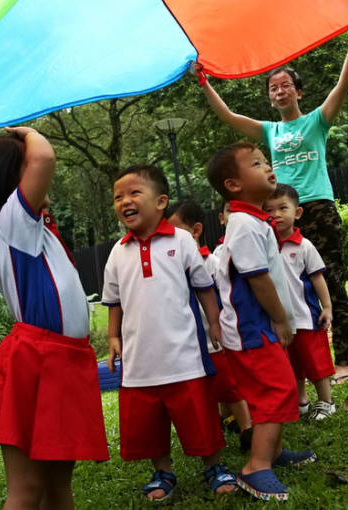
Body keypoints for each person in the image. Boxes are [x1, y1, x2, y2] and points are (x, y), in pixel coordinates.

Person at [199, 17, 348, 385]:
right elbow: (228, 115)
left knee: (331, 283)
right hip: (276, 214)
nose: (279, 92)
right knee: (285, 286)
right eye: (273, 88)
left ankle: (341, 361)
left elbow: (343, 85)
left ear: (298, 92)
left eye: (285, 86)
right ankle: (301, 364)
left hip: (318, 209)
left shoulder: (316, 121)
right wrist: (204, 82)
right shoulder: (269, 131)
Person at [0, 127, 108, 510]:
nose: (38, 175)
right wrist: (21, 130)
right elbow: (45, 157)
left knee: (58, 485)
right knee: (27, 489)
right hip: (37, 360)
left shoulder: (29, 227)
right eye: (24, 168)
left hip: (62, 359)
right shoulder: (10, 224)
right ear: (7, 184)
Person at [103, 165, 236, 501]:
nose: (125, 201)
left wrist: (215, 321)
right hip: (139, 361)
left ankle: (214, 466)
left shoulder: (181, 241)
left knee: (200, 415)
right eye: (118, 197)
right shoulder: (118, 251)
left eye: (134, 193)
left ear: (161, 201)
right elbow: (114, 300)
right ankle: (163, 471)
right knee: (148, 422)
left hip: (185, 355)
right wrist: (113, 337)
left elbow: (204, 288)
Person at [206, 142, 315, 501]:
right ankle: (256, 467)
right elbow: (258, 279)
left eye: (265, 160)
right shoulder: (244, 225)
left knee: (275, 389)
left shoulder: (253, 220)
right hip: (253, 328)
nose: (267, 166)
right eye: (256, 163)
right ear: (233, 185)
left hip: (260, 327)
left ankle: (275, 453)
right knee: (277, 390)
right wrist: (281, 320)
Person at [166, 200, 253, 447]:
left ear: (196, 231)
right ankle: (221, 421)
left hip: (217, 338)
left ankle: (247, 427)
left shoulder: (211, 263)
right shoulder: (171, 267)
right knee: (203, 388)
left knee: (229, 385)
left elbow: (227, 296)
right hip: (190, 341)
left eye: (177, 232)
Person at [263, 185, 335, 420]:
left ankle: (326, 401)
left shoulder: (304, 246)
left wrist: (327, 307)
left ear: (298, 213)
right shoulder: (266, 247)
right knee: (292, 365)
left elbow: (317, 278)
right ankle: (301, 401)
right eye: (270, 210)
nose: (276, 215)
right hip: (281, 321)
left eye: (283, 208)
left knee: (316, 364)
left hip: (307, 318)